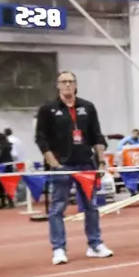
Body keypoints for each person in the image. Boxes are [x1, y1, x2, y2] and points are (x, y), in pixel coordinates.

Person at [34, 70, 112, 264]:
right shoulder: (48, 109)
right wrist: (55, 163)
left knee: (91, 206)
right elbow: (41, 139)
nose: (67, 84)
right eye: (63, 81)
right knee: (57, 208)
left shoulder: (88, 107)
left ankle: (95, 244)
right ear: (57, 85)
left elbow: (97, 136)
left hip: (86, 164)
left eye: (70, 81)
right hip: (63, 166)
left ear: (76, 85)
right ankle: (59, 248)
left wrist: (101, 161)